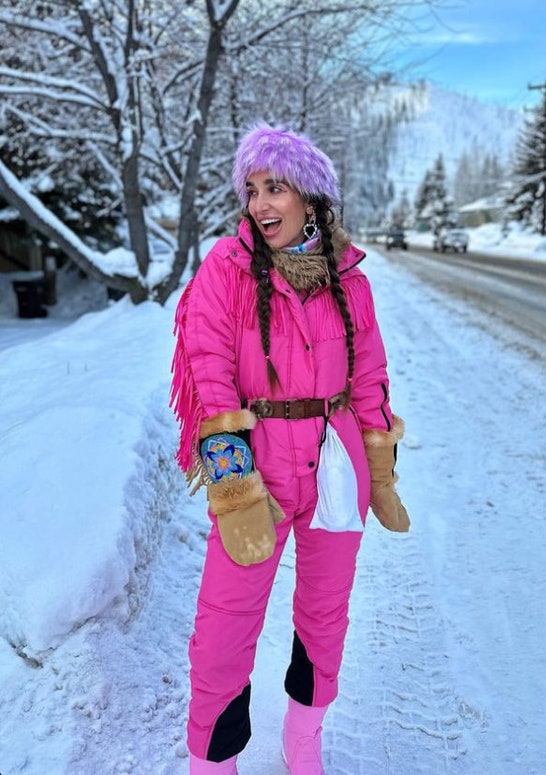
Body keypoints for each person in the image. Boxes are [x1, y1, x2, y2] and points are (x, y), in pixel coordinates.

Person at [170, 122, 410, 775]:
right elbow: (208, 365)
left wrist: (379, 468)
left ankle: (304, 734)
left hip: (335, 464)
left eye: (274, 186)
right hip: (258, 463)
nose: (260, 204)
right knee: (224, 626)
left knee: (326, 615)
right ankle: (214, 760)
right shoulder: (227, 268)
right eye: (251, 189)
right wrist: (232, 479)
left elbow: (369, 377)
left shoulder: (348, 279)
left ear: (309, 194)